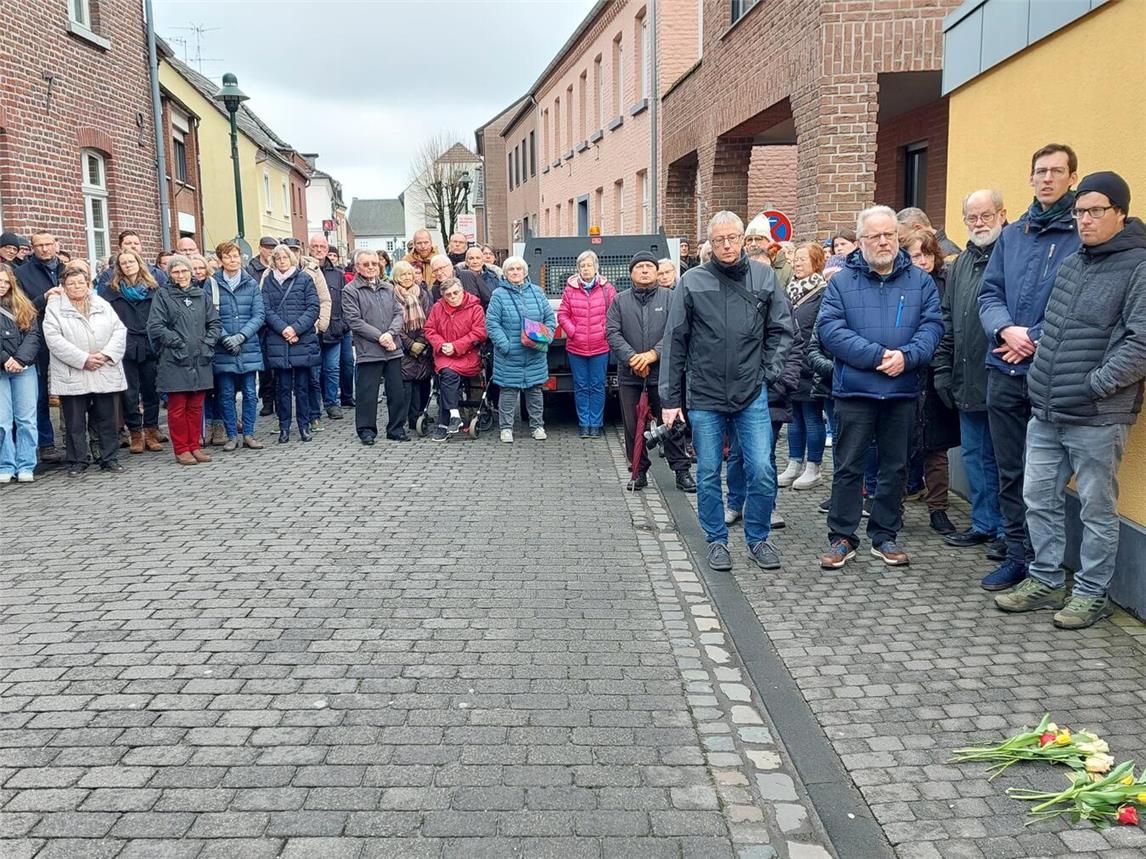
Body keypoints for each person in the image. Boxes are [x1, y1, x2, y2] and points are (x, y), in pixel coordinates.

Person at [993, 172, 1145, 630]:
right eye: (1079, 211)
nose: (1085, 220)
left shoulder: (1138, 266)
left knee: (1096, 509)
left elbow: (1141, 343)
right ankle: (1044, 579)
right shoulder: (1075, 261)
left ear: (1119, 212)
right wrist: (1039, 373)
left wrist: (1096, 384)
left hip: (1097, 414)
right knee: (1038, 498)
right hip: (1047, 408)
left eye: (1096, 211)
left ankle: (1091, 593)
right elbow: (1053, 328)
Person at [660, 211, 794, 573]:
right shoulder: (692, 281)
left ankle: (758, 537)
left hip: (751, 392)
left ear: (744, 238)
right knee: (706, 473)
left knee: (763, 469)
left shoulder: (764, 277)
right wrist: (670, 400)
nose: (727, 246)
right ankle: (716, 540)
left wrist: (769, 371)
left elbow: (782, 329)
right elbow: (675, 342)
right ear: (710, 242)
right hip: (705, 395)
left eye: (733, 238)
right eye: (719, 240)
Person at [977, 143, 1082, 591]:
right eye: (1040, 171)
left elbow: (1079, 306)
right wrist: (1006, 331)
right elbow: (989, 293)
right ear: (1030, 178)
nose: (1047, 179)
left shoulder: (1082, 234)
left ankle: (1045, 564)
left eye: (1057, 171)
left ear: (1072, 178)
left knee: (1044, 477)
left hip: (1049, 373)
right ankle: (1016, 553)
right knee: (1008, 469)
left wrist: (1032, 338)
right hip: (1003, 367)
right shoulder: (1014, 234)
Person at [817, 205, 943, 569]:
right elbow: (831, 331)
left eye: (889, 234)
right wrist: (877, 356)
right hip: (855, 391)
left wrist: (907, 356)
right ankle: (842, 537)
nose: (883, 241)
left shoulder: (920, 282)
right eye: (875, 236)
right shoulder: (841, 282)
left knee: (895, 467)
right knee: (847, 466)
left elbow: (933, 327)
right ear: (861, 242)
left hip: (901, 391)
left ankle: (884, 535)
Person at [934, 190, 1008, 557]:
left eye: (985, 215)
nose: (979, 223)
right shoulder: (961, 264)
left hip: (1003, 379)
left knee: (1004, 461)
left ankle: (1007, 533)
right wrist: (943, 371)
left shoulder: (1011, 257)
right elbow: (947, 320)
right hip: (966, 380)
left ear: (1002, 214)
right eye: (972, 217)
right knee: (974, 457)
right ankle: (983, 523)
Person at [607, 252, 693, 491]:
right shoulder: (619, 301)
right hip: (630, 375)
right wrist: (633, 357)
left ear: (657, 272)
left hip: (665, 374)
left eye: (649, 266)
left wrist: (653, 354)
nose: (645, 270)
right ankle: (638, 471)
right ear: (631, 273)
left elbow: (677, 331)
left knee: (673, 422)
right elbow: (612, 332)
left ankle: (682, 471)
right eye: (639, 267)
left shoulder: (671, 298)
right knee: (633, 425)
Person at [42, 263, 128, 476]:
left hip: (103, 368)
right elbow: (53, 339)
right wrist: (83, 359)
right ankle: (77, 460)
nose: (77, 286)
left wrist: (106, 354)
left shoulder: (101, 303)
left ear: (88, 284)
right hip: (74, 372)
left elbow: (119, 330)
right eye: (71, 283)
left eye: (81, 282)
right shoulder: (54, 308)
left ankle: (109, 458)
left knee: (107, 418)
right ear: (63, 286)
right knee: (74, 421)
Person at [902, 228, 959, 534]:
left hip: (936, 375)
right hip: (906, 372)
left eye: (926, 254)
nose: (921, 261)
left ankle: (938, 508)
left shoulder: (947, 284)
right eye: (914, 255)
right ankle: (892, 508)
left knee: (936, 450)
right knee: (898, 446)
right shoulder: (899, 285)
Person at [148, 255, 222, 465]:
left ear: (191, 272)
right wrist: (178, 342)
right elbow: (155, 326)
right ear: (169, 274)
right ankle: (181, 449)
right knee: (178, 407)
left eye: (184, 271)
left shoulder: (201, 295)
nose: (181, 275)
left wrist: (207, 343)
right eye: (176, 272)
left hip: (201, 358)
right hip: (175, 358)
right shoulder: (163, 295)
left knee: (196, 406)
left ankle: (194, 445)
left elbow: (215, 323)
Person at [99, 249, 163, 455]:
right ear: (119, 267)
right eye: (123, 263)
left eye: (131, 261)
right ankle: (135, 432)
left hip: (150, 345)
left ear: (139, 263)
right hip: (124, 346)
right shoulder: (111, 292)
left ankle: (151, 431)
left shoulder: (154, 289)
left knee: (152, 391)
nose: (128, 265)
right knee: (129, 394)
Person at [485, 256, 555, 443]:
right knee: (508, 392)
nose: (515, 272)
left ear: (525, 271)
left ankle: (537, 426)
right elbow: (492, 324)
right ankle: (506, 428)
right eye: (511, 270)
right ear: (506, 274)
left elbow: (549, 318)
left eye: (518, 269)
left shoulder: (538, 293)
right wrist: (505, 345)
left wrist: (546, 337)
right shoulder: (498, 295)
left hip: (534, 352)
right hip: (510, 354)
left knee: (535, 391)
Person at [342, 249, 409, 443]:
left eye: (374, 263)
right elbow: (354, 321)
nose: (371, 267)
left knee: (397, 392)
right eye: (366, 264)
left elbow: (399, 313)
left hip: (392, 348)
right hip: (369, 350)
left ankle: (396, 429)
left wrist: (390, 334)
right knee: (367, 394)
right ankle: (366, 431)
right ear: (357, 267)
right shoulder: (350, 291)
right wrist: (380, 337)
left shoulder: (388, 288)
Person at [778, 242, 829, 490]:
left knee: (811, 417)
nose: (797, 263)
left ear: (816, 262)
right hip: (792, 364)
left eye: (802, 259)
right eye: (795, 259)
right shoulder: (790, 289)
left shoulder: (823, 292)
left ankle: (814, 467)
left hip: (810, 365)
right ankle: (794, 463)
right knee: (794, 418)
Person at [210, 241, 266, 451]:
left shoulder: (251, 283)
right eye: (227, 257)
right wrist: (225, 338)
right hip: (223, 348)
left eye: (235, 256)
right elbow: (210, 315)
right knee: (225, 394)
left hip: (248, 346)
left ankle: (249, 434)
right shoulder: (212, 284)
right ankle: (232, 435)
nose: (232, 260)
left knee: (251, 393)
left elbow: (259, 314)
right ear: (220, 260)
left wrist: (242, 336)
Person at [262, 245, 320, 443]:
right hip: (279, 341)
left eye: (284, 257)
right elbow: (266, 310)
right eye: (277, 258)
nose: (281, 261)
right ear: (273, 261)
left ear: (291, 258)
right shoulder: (268, 282)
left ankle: (304, 425)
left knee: (303, 387)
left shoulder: (304, 279)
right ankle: (284, 426)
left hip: (301, 340)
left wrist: (295, 329)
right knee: (283, 387)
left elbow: (313, 308)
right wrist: (284, 330)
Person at [558, 250, 616, 439]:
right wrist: (574, 331)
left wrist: (602, 330)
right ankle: (584, 424)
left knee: (597, 386)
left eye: (589, 265)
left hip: (600, 346)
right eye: (582, 266)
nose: (586, 269)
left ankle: (596, 424)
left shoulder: (607, 289)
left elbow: (614, 314)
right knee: (581, 386)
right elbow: (562, 315)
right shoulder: (570, 290)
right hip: (576, 347)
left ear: (596, 267)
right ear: (578, 269)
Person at [17, 232, 65, 461]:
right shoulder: (22, 274)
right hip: (38, 338)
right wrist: (43, 298)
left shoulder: (68, 269)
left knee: (71, 389)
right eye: (40, 246)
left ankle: (73, 439)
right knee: (40, 393)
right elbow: (20, 310)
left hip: (68, 337)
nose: (45, 249)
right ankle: (45, 442)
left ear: (56, 245)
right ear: (32, 248)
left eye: (48, 244)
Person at [424, 276, 487, 441]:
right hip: (445, 354)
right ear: (443, 296)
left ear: (462, 291)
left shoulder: (475, 308)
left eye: (455, 293)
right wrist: (441, 344)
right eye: (448, 295)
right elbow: (430, 329)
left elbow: (479, 332)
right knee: (448, 374)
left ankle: (444, 423)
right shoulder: (438, 308)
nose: (452, 297)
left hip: (468, 354)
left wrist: (457, 346)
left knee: (448, 377)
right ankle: (453, 415)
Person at [0, 263, 41, 482]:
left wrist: (19, 359)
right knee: (1, 420)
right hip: (2, 369)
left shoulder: (23, 305)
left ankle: (26, 464)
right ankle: (5, 464)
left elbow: (33, 335)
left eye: (6, 281)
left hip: (24, 368)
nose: (2, 285)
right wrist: (5, 359)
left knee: (26, 419)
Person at [309, 235, 351, 421]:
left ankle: (332, 404)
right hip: (311, 331)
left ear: (327, 249)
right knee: (314, 371)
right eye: (315, 246)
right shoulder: (304, 272)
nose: (319, 250)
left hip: (334, 330)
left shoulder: (338, 275)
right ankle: (314, 406)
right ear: (310, 248)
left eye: (322, 246)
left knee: (333, 369)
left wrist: (343, 324)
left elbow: (346, 303)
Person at [391, 260, 434, 429]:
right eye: (403, 274)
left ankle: (419, 416)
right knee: (406, 384)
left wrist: (421, 342)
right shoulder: (391, 294)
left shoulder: (422, 293)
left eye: (410, 273)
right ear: (396, 277)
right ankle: (408, 418)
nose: (407, 277)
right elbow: (393, 322)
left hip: (422, 343)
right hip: (403, 345)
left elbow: (430, 318)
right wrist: (410, 344)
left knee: (422, 381)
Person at [94, 230, 169, 290]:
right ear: (120, 248)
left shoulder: (156, 274)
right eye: (128, 243)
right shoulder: (108, 275)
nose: (133, 246)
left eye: (136, 243)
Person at [744, 215, 791, 288]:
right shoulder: (740, 267)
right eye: (749, 240)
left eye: (758, 239)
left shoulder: (785, 269)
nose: (753, 244)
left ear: (768, 242)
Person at [896, 206, 960, 256]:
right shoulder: (939, 249)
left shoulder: (948, 253)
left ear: (918, 228)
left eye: (902, 240)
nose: (901, 245)